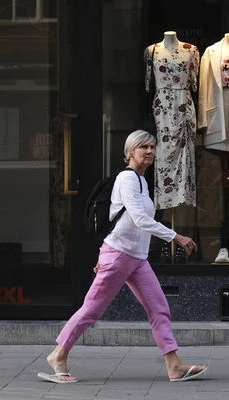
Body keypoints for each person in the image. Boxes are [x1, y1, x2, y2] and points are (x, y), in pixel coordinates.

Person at [37, 130, 208, 384]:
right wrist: (176, 237)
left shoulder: (141, 180)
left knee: (159, 308)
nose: (149, 151)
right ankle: (58, 354)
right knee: (92, 310)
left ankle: (174, 366)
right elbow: (140, 219)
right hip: (119, 256)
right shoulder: (127, 179)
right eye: (143, 147)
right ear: (130, 152)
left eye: (152, 147)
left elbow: (128, 222)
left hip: (136, 258)